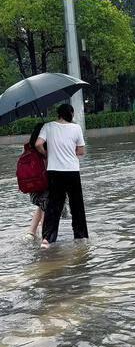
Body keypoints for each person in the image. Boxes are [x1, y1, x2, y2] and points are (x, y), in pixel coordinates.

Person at [35, 104, 88, 248]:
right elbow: (81, 151)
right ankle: (80, 236)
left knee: (54, 206)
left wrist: (47, 154)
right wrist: (71, 153)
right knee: (76, 205)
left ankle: (47, 239)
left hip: (54, 171)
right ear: (70, 113)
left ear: (58, 114)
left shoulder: (48, 126)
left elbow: (38, 144)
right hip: (72, 171)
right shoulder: (76, 128)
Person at [26, 122, 48, 237]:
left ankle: (31, 232)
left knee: (41, 206)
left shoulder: (28, 147)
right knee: (46, 208)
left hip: (32, 184)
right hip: (45, 182)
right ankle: (45, 237)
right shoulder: (44, 147)